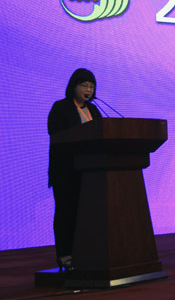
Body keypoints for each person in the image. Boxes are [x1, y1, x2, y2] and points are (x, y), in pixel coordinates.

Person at [48, 68, 102, 271]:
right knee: (66, 213)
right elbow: (56, 134)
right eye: (84, 85)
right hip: (66, 171)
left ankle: (85, 254)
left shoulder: (94, 111)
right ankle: (65, 255)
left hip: (91, 173)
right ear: (73, 86)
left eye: (91, 86)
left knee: (87, 215)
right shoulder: (61, 107)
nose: (88, 89)